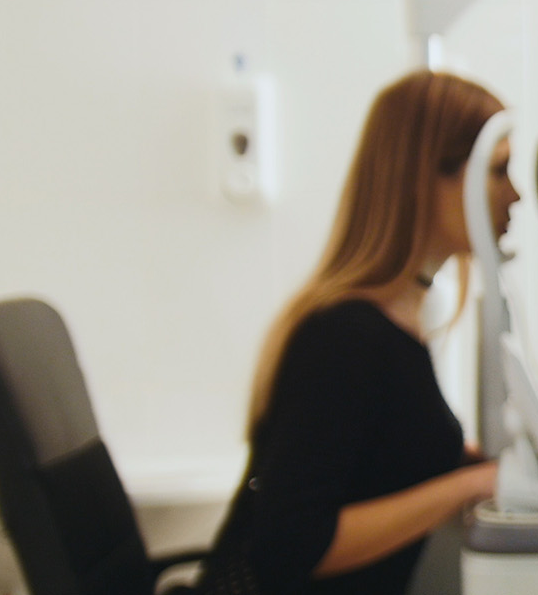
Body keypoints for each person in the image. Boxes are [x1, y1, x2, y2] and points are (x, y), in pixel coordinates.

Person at [196, 70, 521, 595]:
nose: (516, 195)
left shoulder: (396, 325)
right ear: (427, 178)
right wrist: (471, 485)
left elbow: (375, 461)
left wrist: (472, 465)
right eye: (497, 170)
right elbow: (292, 544)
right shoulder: (343, 337)